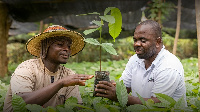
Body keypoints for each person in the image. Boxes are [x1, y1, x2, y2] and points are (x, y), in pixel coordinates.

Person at [95, 20, 187, 105]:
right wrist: (111, 88)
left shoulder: (168, 66)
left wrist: (120, 97)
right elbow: (124, 88)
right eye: (135, 40)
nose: (137, 44)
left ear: (158, 42)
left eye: (143, 41)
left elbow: (158, 104)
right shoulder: (135, 60)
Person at [3, 25, 94, 112]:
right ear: (46, 47)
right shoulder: (27, 68)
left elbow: (76, 107)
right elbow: (22, 102)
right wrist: (60, 83)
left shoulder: (69, 75)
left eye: (69, 46)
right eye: (60, 44)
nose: (67, 49)